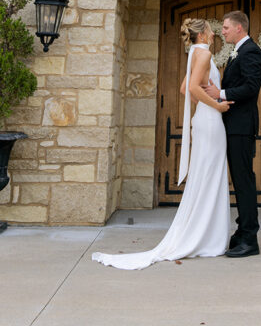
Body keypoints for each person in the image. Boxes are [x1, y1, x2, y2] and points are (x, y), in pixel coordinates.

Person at [92, 18, 231, 270]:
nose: (214, 33)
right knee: (211, 175)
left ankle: (206, 234)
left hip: (204, 121)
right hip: (211, 122)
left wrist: (203, 97)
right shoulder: (205, 53)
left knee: (206, 175)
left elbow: (183, 89)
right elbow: (191, 88)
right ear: (201, 35)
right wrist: (217, 105)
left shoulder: (195, 54)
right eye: (210, 31)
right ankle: (208, 238)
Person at [203, 10, 261, 258]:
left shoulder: (252, 52)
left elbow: (251, 87)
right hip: (232, 126)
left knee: (244, 182)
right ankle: (242, 232)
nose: (223, 31)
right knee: (239, 182)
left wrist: (221, 93)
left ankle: (250, 238)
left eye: (227, 27)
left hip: (241, 127)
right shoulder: (238, 51)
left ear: (239, 28)